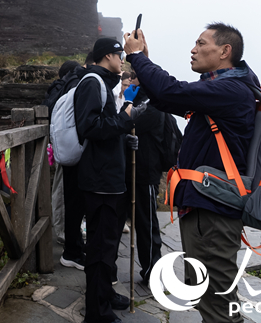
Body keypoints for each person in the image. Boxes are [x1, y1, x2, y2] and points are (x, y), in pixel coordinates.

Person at [123, 23, 258, 322]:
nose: (193, 49)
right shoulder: (225, 87)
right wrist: (143, 61)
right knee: (206, 295)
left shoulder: (231, 89)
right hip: (206, 208)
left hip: (214, 213)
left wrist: (137, 58)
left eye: (200, 43)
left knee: (217, 304)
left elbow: (172, 90)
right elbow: (167, 97)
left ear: (225, 51)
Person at [75, 37, 139, 323]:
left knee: (109, 242)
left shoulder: (107, 83)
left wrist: (125, 134)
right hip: (99, 180)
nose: (121, 59)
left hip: (110, 177)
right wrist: (124, 121)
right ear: (106, 56)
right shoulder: (92, 83)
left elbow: (107, 128)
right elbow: (88, 127)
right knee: (100, 245)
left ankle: (106, 294)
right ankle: (96, 311)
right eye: (118, 54)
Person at [118, 77, 170, 284]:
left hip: (145, 173)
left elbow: (125, 123)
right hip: (129, 171)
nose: (131, 79)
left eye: (136, 77)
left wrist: (126, 104)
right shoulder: (140, 101)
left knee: (146, 223)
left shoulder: (152, 105)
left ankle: (151, 271)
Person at [42, 60, 84, 249]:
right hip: (69, 146)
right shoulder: (71, 85)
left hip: (61, 145)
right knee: (62, 190)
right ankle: (63, 232)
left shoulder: (59, 87)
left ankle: (65, 231)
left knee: (63, 189)